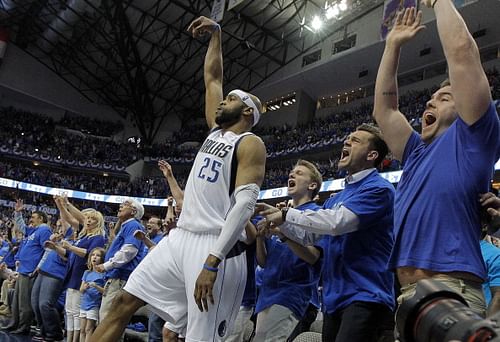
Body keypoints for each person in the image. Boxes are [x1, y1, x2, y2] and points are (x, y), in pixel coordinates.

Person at [90, 15, 266, 342]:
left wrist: (212, 261)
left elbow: (244, 206)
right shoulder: (216, 131)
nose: (222, 99)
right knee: (122, 303)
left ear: (246, 113)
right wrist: (216, 35)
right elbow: (213, 77)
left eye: (231, 99)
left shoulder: (250, 143)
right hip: (180, 238)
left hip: (216, 247)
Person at [372, 4, 500, 319]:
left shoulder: (475, 138)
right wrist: (392, 46)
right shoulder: (415, 150)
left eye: (444, 98)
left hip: (452, 292)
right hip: (407, 298)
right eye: (431, 98)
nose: (431, 100)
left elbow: (461, 53)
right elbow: (385, 111)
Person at [258, 124, 395, 342]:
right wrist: (281, 227)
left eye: (356, 140)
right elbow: (311, 237)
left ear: (372, 155)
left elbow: (337, 223)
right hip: (333, 299)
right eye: (347, 138)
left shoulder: (379, 189)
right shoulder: (334, 199)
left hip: (366, 295)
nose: (346, 142)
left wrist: (285, 215)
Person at [254, 160, 322, 341]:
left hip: (292, 294)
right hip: (267, 295)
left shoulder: (316, 215)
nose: (292, 175)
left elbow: (314, 257)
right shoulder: (279, 217)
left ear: (312, 185)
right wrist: (260, 237)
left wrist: (283, 233)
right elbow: (263, 262)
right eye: (292, 172)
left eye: (299, 173)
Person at [1, 200, 52, 334]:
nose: (31, 220)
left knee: (24, 302)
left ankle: (24, 327)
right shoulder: (34, 231)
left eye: (33, 218)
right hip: (23, 269)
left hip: (30, 270)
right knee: (17, 300)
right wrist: (18, 212)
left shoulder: (45, 230)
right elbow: (21, 226)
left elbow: (47, 250)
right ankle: (14, 323)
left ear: (41, 218)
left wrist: (38, 267)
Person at [79, 247, 106, 342]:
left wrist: (96, 286)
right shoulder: (87, 272)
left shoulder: (103, 275)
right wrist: (84, 288)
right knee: (82, 329)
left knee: (88, 329)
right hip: (84, 304)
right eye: (93, 255)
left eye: (98, 255)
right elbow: (81, 290)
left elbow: (105, 292)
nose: (94, 257)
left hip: (93, 305)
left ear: (102, 259)